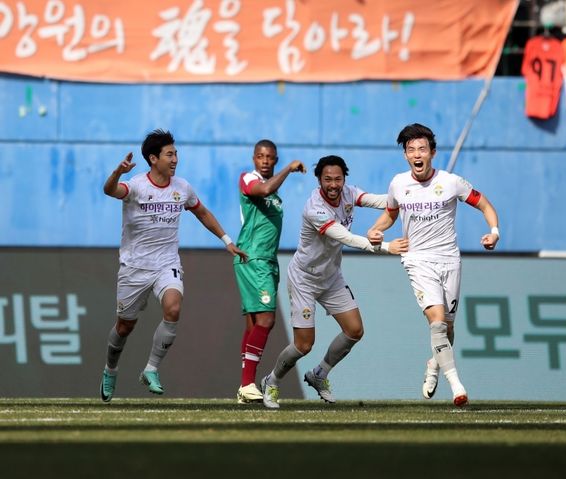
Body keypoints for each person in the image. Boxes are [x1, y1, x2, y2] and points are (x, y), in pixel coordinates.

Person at [100, 129, 245, 402]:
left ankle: (151, 369)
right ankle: (110, 369)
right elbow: (109, 190)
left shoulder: (182, 187)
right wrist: (117, 172)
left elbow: (201, 211)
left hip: (167, 263)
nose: (175, 158)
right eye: (170, 154)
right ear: (153, 159)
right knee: (123, 328)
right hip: (134, 267)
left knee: (173, 307)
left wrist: (226, 240)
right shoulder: (136, 186)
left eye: (176, 153)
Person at [259, 155, 409, 409]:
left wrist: (409, 198)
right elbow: (347, 238)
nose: (333, 184)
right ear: (319, 180)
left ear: (344, 179)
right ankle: (271, 381)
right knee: (304, 345)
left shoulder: (349, 194)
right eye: (327, 179)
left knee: (354, 330)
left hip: (331, 277)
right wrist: (386, 247)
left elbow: (379, 200)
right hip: (304, 279)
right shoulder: (314, 209)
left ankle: (320, 373)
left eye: (338, 179)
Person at [367, 123, 499, 407]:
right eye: (411, 149)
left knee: (448, 330)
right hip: (417, 260)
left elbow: (485, 205)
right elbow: (390, 215)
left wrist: (494, 232)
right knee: (437, 323)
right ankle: (457, 386)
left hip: (449, 260)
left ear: (432, 153)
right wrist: (374, 231)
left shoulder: (451, 182)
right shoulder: (398, 184)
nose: (417, 154)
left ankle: (434, 364)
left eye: (422, 149)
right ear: (405, 155)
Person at [234, 140, 306, 403]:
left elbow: (270, 193)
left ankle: (245, 387)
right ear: (254, 158)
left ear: (273, 159)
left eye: (270, 158)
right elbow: (264, 189)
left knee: (254, 323)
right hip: (254, 259)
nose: (265, 161)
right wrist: (288, 168)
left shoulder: (276, 196)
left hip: (267, 260)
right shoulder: (249, 179)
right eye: (261, 156)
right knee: (266, 320)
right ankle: (247, 384)